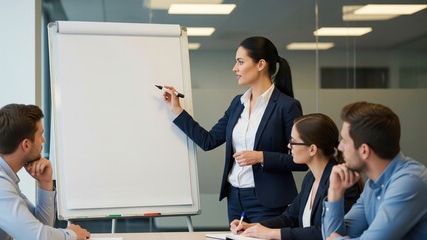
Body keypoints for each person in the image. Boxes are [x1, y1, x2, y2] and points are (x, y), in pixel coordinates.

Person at [163, 36, 308, 223]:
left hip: (268, 203)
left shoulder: (286, 106)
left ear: (260, 64)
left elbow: (302, 160)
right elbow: (208, 141)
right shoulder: (237, 103)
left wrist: (261, 157)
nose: (235, 68)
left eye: (240, 62)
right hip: (235, 199)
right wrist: (176, 109)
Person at [229, 113, 362, 239]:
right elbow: (289, 218)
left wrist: (272, 233)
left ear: (312, 149)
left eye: (293, 142)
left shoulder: (344, 182)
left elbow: (325, 232)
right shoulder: (310, 178)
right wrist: (252, 227)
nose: (289, 146)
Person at [322, 102, 427, 239]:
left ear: (364, 150)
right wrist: (335, 191)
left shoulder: (410, 182)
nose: (340, 147)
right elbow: (332, 235)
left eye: (345, 141)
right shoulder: (373, 184)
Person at [0, 104, 90, 240]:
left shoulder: (2, 175)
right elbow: (37, 237)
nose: (43, 140)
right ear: (26, 145)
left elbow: (39, 227)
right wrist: (72, 234)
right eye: (40, 134)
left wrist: (45, 183)